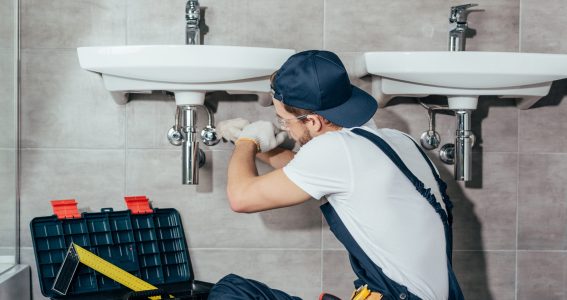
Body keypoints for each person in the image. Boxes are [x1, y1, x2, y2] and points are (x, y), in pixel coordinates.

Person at [210, 50, 464, 300]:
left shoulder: (335, 151)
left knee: (232, 293)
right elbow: (306, 171)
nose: (284, 127)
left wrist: (247, 141)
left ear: (313, 122)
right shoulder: (398, 140)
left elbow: (241, 198)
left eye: (284, 120)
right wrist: (255, 145)